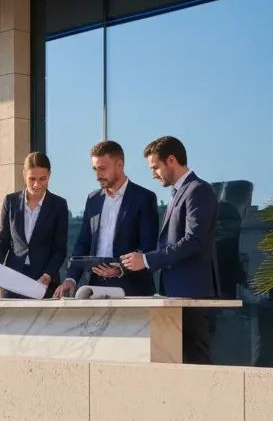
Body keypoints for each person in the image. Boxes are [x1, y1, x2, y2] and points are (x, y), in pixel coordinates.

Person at [120, 136, 219, 364]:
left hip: (192, 293)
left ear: (171, 160)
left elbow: (194, 241)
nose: (153, 173)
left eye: (155, 167)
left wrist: (146, 260)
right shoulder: (178, 192)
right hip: (175, 293)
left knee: (197, 361)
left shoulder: (198, 190)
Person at [53, 140, 158, 298]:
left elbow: (148, 247)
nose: (97, 175)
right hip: (96, 288)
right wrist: (71, 278)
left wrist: (120, 269)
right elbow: (83, 242)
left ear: (120, 165)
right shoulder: (93, 199)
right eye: (95, 169)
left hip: (133, 289)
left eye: (102, 169)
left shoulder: (144, 198)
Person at [0, 152, 68, 298]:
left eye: (42, 179)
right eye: (32, 179)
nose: (37, 184)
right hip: (11, 282)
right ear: (24, 174)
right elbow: (2, 241)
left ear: (49, 175)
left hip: (44, 284)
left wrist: (47, 276)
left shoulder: (59, 205)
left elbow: (60, 249)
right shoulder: (10, 201)